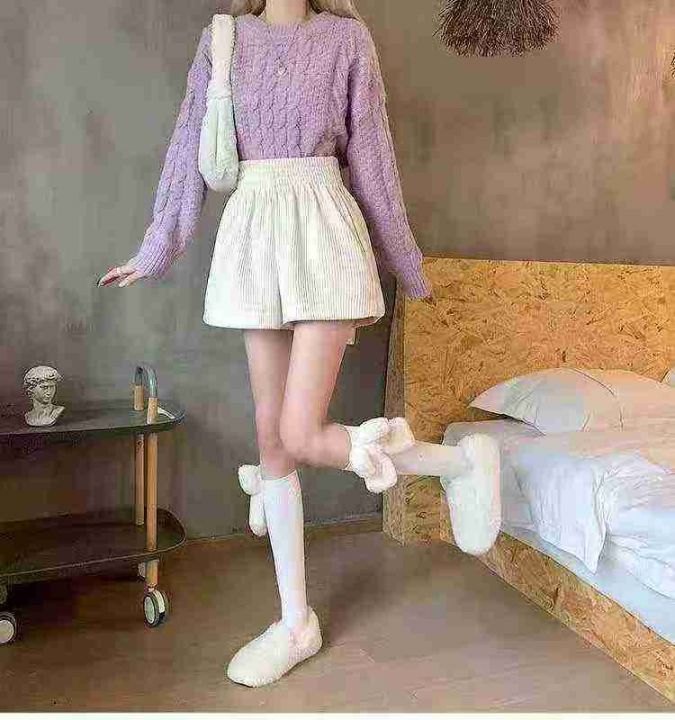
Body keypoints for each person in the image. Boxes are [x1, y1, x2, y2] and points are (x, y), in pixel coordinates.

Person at [98, 0, 500, 688]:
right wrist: (157, 246)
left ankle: (458, 465)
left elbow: (372, 161)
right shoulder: (223, 40)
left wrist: (405, 263)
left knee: (299, 432)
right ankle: (295, 622)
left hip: (324, 233)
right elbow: (190, 145)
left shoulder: (347, 39)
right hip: (254, 236)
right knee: (273, 440)